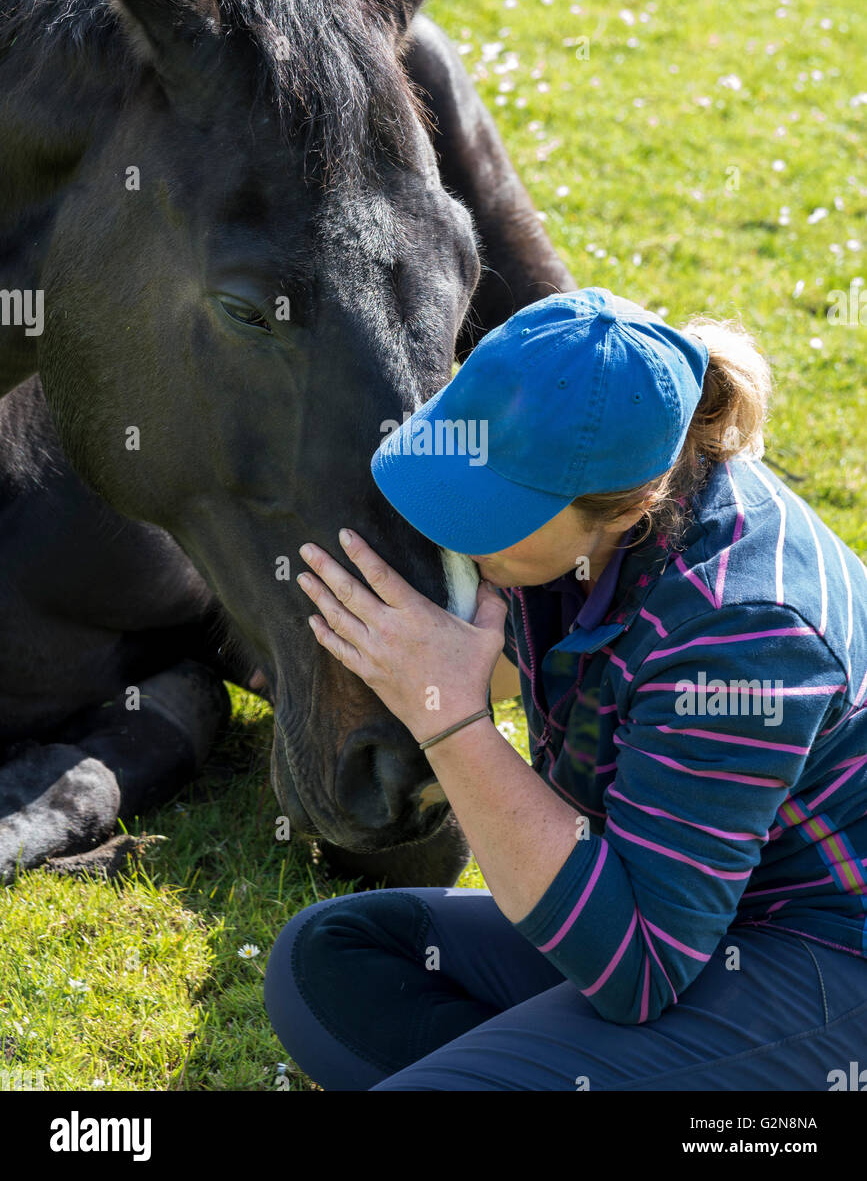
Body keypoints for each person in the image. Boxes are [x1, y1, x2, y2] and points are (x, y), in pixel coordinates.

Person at [264, 286, 867, 1091]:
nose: (451, 530)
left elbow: (639, 973)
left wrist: (451, 720)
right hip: (680, 909)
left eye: (492, 509)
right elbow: (536, 660)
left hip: (819, 957)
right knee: (330, 962)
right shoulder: (584, 524)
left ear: (622, 508)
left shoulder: (746, 634)